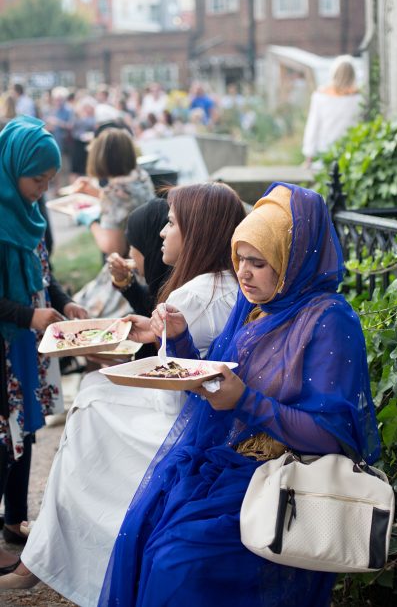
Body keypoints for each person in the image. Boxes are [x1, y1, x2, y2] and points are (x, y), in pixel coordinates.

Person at [97, 182, 381, 607]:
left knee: (178, 562)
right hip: (227, 464)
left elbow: (332, 435)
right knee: (146, 534)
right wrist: (180, 341)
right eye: (240, 259)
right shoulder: (256, 307)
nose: (243, 273)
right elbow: (213, 385)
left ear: (293, 259)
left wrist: (245, 401)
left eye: (258, 262)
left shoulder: (328, 320)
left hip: (283, 481)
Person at [1, 183, 246, 605]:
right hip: (212, 415)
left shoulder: (192, 294)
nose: (164, 234)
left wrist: (123, 362)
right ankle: (43, 556)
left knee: (91, 401)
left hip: (189, 426)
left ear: (199, 232)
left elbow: (174, 388)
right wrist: (145, 338)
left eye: (172, 223)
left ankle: (58, 559)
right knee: (94, 394)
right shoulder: (223, 283)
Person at [0, 117, 87, 565]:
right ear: (12, 167)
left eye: (50, 181)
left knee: (26, 430)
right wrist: (28, 315)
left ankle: (15, 518)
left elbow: (44, 274)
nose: (43, 189)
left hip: (26, 347)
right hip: (5, 345)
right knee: (1, 436)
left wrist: (65, 302)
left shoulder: (30, 214)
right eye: (37, 179)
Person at [72, 127, 155, 317]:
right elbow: (127, 202)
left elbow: (111, 246)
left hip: (127, 269)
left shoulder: (114, 192)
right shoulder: (140, 176)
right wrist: (95, 193)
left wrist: (89, 220)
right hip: (147, 264)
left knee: (82, 312)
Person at [107, 197, 170, 358]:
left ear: (150, 245)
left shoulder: (177, 289)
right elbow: (149, 305)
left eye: (133, 244)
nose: (129, 253)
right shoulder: (165, 279)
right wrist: (123, 280)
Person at [302, 55, 361, 169]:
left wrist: (308, 158)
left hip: (324, 156)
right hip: (352, 157)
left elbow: (313, 127)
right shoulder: (359, 99)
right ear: (353, 75)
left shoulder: (320, 97)